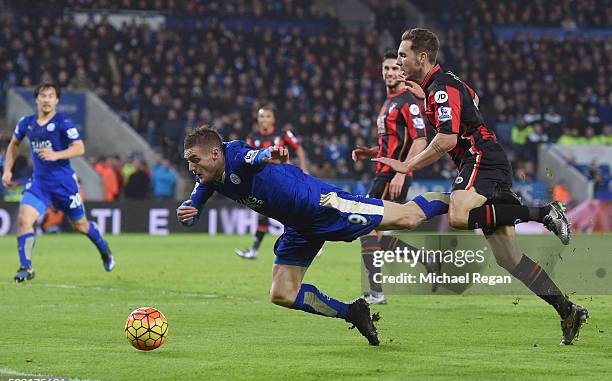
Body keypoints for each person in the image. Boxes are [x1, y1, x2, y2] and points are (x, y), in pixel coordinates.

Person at [374, 28, 588, 345]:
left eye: (403, 54)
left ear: (421, 57)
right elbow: (468, 100)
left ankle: (544, 212)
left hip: (481, 159)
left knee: (459, 215)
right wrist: (426, 95)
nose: (399, 60)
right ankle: (567, 310)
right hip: (489, 163)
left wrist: (408, 165)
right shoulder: (442, 85)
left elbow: (446, 140)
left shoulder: (441, 89)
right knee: (509, 259)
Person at [176, 125, 450, 346]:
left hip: (324, 205)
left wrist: (268, 154)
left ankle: (458, 198)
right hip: (299, 226)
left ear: (214, 153)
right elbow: (197, 200)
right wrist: (191, 211)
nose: (191, 168)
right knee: (282, 294)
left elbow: (254, 156)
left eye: (194, 160)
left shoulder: (234, 154)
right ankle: (352, 312)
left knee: (408, 218)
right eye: (188, 161)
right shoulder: (208, 177)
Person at [1, 82, 115, 282]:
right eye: (43, 96)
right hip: (39, 184)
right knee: (24, 221)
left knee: (80, 226)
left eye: (51, 96)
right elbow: (13, 145)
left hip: (64, 185)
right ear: (36, 99)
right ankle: (26, 267)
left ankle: (104, 248)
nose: (46, 99)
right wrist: (7, 170)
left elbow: (79, 148)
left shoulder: (63, 123)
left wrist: (57, 154)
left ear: (57, 100)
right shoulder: (26, 123)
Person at [351, 49, 428, 304]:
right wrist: (369, 152)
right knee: (375, 234)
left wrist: (402, 170)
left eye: (395, 68)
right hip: (383, 172)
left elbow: (420, 140)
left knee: (367, 230)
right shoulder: (388, 102)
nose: (391, 72)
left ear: (402, 71)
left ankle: (376, 292)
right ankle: (425, 259)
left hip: (392, 175)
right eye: (387, 68)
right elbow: (392, 142)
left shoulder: (408, 101)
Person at [234, 104, 309, 260]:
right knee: (264, 214)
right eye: (261, 116)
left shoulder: (283, 134)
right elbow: (248, 159)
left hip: (284, 179)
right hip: (264, 181)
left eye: (268, 116)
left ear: (273, 119)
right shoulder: (252, 138)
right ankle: (254, 250)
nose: (264, 120)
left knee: (291, 211)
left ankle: (308, 242)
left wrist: (303, 168)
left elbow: (299, 149)